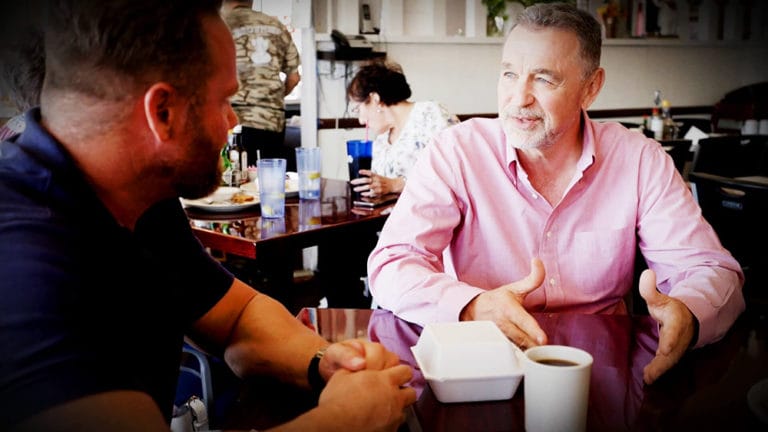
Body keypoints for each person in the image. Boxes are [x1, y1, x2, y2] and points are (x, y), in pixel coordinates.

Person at [0, 1, 415, 431]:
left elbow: (235, 317)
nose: (232, 120)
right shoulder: (23, 258)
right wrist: (346, 420)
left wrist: (322, 361)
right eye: (225, 100)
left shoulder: (144, 198)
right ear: (162, 113)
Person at [367, 3, 745, 386]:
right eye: (509, 74)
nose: (519, 97)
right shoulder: (457, 152)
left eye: (544, 79)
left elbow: (710, 269)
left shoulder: (638, 158)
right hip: (482, 370)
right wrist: (471, 305)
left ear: (591, 88)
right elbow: (393, 263)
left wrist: (690, 312)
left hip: (603, 375)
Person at [347, 61, 459, 197]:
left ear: (375, 99)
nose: (360, 120)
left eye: (358, 109)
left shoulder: (431, 114)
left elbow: (455, 172)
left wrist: (395, 185)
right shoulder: (382, 139)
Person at [221, 0, 301, 172]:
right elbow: (294, 78)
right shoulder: (275, 25)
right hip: (272, 118)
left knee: (235, 177)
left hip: (234, 120)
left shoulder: (218, 26)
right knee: (269, 177)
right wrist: (272, 98)